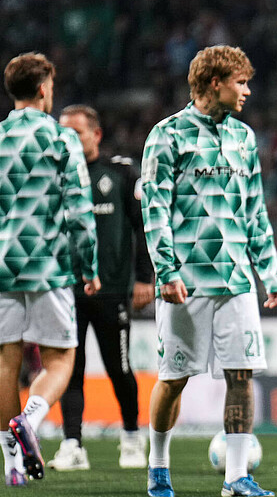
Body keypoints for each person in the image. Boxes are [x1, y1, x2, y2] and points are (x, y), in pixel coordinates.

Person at [141, 45, 277, 497]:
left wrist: (270, 272)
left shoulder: (243, 138)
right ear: (215, 83)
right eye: (240, 82)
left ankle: (236, 477)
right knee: (173, 378)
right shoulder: (167, 135)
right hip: (186, 282)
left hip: (236, 279)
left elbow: (255, 210)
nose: (247, 91)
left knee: (242, 375)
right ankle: (158, 466)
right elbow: (155, 210)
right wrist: (166, 272)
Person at [0, 52, 100, 486]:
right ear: (44, 89)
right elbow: (79, 210)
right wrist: (89, 265)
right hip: (49, 265)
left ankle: (11, 463)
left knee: (6, 363)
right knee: (61, 360)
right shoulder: (62, 140)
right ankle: (31, 419)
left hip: (3, 265)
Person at [49, 105, 154, 471]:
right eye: (63, 132)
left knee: (119, 368)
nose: (67, 139)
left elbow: (142, 228)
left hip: (111, 291)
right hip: (66, 291)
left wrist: (144, 277)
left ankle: (130, 437)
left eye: (75, 132)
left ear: (96, 134)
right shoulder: (53, 175)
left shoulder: (120, 173)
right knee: (69, 371)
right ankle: (72, 444)